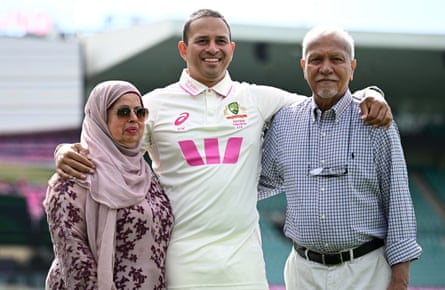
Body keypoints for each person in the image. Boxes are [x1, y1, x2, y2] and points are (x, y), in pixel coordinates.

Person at [53, 9, 393, 290]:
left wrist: (371, 93)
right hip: (180, 260)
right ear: (184, 50)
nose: (211, 48)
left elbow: (326, 99)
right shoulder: (153, 105)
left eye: (220, 41)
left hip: (243, 263)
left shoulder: (257, 99)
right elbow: (110, 150)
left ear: (231, 49)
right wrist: (64, 150)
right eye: (202, 40)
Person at [258, 25, 422, 290]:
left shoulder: (376, 121)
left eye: (336, 59)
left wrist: (400, 281)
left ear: (352, 66)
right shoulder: (284, 122)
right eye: (316, 59)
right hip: (302, 273)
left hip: (365, 271)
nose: (326, 68)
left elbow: (399, 202)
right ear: (303, 65)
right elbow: (261, 181)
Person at [43, 80, 174, 290]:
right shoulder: (74, 176)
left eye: (140, 113)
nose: (133, 118)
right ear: (100, 119)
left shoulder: (147, 177)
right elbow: (75, 260)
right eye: (123, 112)